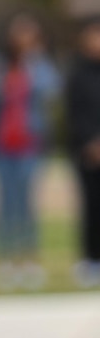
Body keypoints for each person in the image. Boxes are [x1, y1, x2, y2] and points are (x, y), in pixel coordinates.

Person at [0, 12, 57, 285]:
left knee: (28, 204)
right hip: (3, 143)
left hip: (30, 143)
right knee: (6, 204)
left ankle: (29, 259)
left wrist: (33, 61)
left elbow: (51, 90)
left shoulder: (40, 65)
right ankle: (5, 260)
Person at [65, 18, 100, 283]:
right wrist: (91, 141)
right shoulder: (77, 73)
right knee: (91, 205)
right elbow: (74, 113)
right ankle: (91, 258)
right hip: (87, 151)